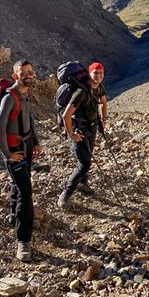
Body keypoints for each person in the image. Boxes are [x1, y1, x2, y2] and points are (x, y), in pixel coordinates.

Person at [0, 60, 41, 262]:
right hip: (16, 152)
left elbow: (28, 119)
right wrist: (8, 155)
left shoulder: (25, 93)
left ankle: (15, 218)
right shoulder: (9, 98)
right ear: (15, 75)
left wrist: (36, 141)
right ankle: (23, 240)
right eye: (24, 73)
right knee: (26, 193)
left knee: (18, 186)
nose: (29, 75)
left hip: (27, 148)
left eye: (31, 72)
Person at [57, 62, 107, 207]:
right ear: (89, 74)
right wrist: (71, 134)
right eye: (95, 73)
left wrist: (103, 120)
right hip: (79, 130)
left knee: (87, 156)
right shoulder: (81, 92)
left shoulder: (99, 88)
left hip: (91, 128)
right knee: (84, 163)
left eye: (101, 73)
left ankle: (83, 184)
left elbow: (103, 102)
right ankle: (66, 193)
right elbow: (67, 116)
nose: (98, 76)